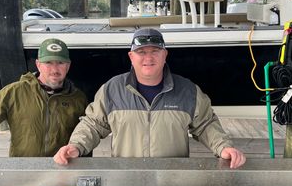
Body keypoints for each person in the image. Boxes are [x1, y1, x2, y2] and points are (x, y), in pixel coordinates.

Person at [54, 28, 246, 168]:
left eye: (155, 51)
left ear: (165, 55)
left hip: (173, 179)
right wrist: (76, 145)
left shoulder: (188, 91)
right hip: (125, 178)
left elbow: (206, 124)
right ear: (131, 56)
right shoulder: (112, 89)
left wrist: (224, 147)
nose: (148, 57)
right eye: (141, 52)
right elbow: (93, 124)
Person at [0, 38, 87, 157]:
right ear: (38, 64)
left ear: (68, 66)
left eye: (60, 63)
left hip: (62, 170)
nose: (54, 69)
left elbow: (85, 137)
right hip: (23, 170)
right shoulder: (15, 91)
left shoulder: (78, 98)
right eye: (48, 63)